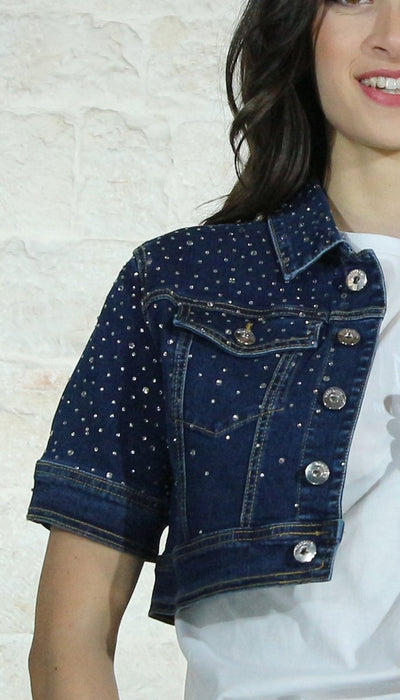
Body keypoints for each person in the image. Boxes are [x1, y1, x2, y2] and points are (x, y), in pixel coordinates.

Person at [28, 0, 400, 697]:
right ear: (299, 27)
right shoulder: (180, 282)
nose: (393, 36)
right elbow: (68, 638)